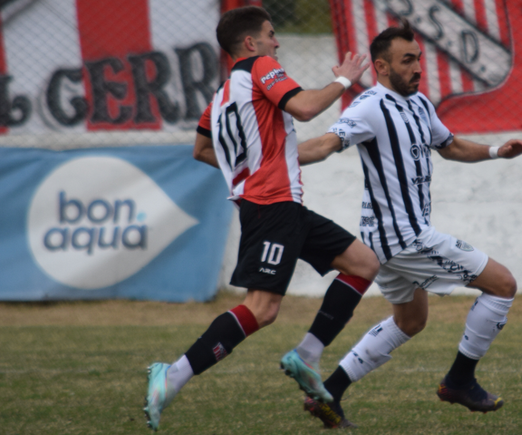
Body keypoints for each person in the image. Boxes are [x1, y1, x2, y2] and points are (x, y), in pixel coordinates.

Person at [143, 6, 379, 431]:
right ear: (250, 44)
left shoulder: (220, 97)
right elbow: (305, 108)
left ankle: (307, 354)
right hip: (272, 206)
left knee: (363, 263)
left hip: (281, 204)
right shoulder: (260, 68)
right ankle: (173, 374)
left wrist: (253, 166)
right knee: (263, 308)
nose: (277, 42)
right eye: (272, 34)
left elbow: (199, 150)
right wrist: (344, 79)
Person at [295, 20, 522, 428]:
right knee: (503, 285)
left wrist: (499, 150)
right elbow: (324, 144)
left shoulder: (421, 104)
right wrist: (267, 160)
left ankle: (329, 392)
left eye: (418, 59)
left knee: (410, 321)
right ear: (382, 67)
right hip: (404, 237)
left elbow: (451, 146)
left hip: (384, 239)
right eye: (407, 60)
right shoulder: (370, 106)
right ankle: (459, 381)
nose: (417, 68)